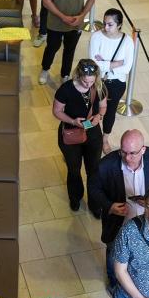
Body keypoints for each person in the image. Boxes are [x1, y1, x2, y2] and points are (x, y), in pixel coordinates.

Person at [88, 130, 149, 288]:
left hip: (148, 222)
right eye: (123, 152)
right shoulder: (107, 165)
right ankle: (113, 281)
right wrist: (109, 206)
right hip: (118, 223)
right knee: (114, 251)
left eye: (133, 153)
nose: (127, 158)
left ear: (143, 149)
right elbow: (94, 188)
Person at [53, 59, 107, 212]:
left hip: (93, 134)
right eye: (85, 81)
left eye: (91, 81)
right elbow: (57, 111)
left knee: (94, 169)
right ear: (78, 75)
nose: (88, 85)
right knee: (74, 169)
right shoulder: (66, 89)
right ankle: (75, 197)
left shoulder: (99, 86)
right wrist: (73, 121)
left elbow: (103, 106)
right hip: (71, 134)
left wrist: (99, 117)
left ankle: (95, 202)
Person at [89, 8, 135, 154]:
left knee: (110, 113)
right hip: (98, 81)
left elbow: (127, 68)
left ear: (119, 25)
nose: (106, 27)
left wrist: (105, 63)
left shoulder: (127, 42)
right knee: (91, 110)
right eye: (104, 23)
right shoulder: (96, 37)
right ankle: (87, 137)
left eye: (110, 24)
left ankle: (104, 139)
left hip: (116, 84)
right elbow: (93, 64)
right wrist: (115, 63)